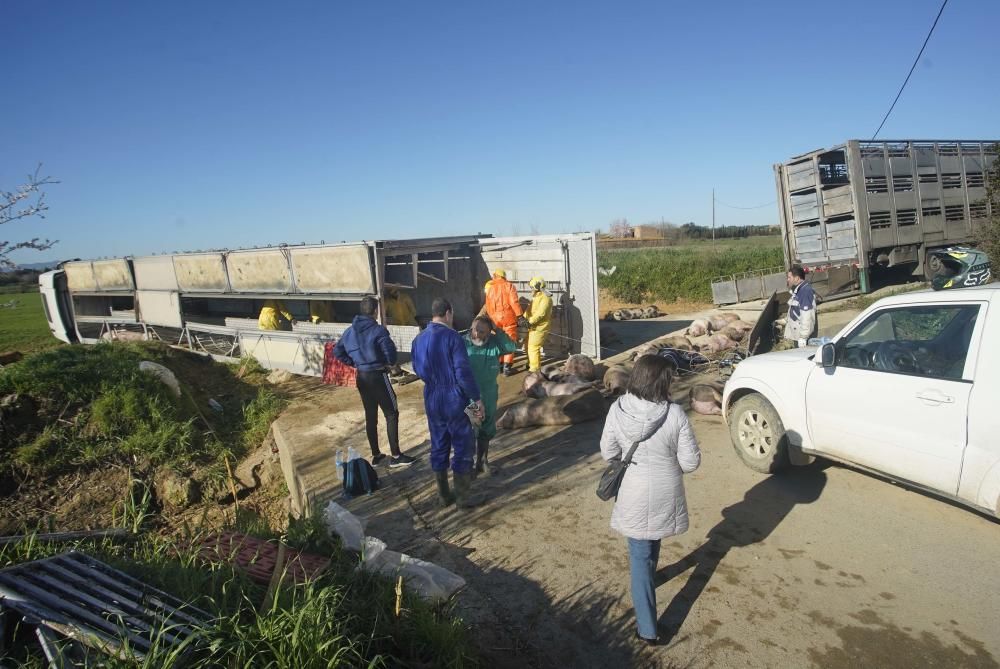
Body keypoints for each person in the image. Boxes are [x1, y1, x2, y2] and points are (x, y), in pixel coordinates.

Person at [600, 355, 700, 645]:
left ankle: (646, 629)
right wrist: (669, 467)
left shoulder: (617, 409)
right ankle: (649, 624)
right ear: (660, 382)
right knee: (650, 541)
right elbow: (691, 462)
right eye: (669, 378)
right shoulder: (675, 414)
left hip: (632, 488)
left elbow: (608, 452)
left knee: (640, 551)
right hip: (665, 489)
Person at [411, 298, 486, 508]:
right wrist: (477, 399)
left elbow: (417, 368)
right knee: (463, 444)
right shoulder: (453, 337)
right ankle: (463, 499)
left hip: (432, 397)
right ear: (448, 313)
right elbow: (462, 372)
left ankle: (444, 495)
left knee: (439, 443)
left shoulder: (418, 340)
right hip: (454, 397)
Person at [333, 296, 416, 469]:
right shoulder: (378, 331)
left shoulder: (350, 331)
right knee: (391, 413)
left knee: (371, 415)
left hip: (361, 377)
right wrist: (386, 362)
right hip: (377, 375)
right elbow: (391, 356)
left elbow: (337, 351)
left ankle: (377, 456)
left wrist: (354, 363)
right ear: (375, 311)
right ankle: (396, 456)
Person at [462, 315, 518, 477]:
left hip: (489, 394)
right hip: (470, 397)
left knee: (487, 428)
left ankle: (482, 462)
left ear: (489, 332)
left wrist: (497, 329)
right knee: (471, 429)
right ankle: (468, 466)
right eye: (474, 329)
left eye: (481, 331)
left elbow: (510, 346)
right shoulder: (462, 343)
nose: (476, 334)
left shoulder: (494, 343)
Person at [484, 269, 523, 376]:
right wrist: (520, 316)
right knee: (509, 341)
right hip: (508, 318)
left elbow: (488, 306)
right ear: (503, 276)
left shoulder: (490, 288)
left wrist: (490, 319)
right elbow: (514, 302)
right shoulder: (509, 286)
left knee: (498, 341)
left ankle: (499, 366)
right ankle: (507, 368)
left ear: (495, 276)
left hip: (494, 319)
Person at [520, 276, 553, 373]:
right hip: (533, 327)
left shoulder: (546, 298)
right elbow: (530, 309)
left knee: (533, 347)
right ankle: (531, 363)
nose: (531, 289)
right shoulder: (536, 297)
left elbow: (541, 313)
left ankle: (534, 369)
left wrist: (529, 322)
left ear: (537, 286)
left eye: (532, 287)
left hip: (540, 327)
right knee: (527, 345)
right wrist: (523, 318)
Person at [784, 265, 817, 347]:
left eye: (789, 277)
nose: (788, 280)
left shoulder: (805, 291)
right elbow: (794, 309)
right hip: (797, 334)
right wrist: (785, 320)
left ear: (797, 278)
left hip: (802, 337)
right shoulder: (798, 290)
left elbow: (807, 315)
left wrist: (803, 337)